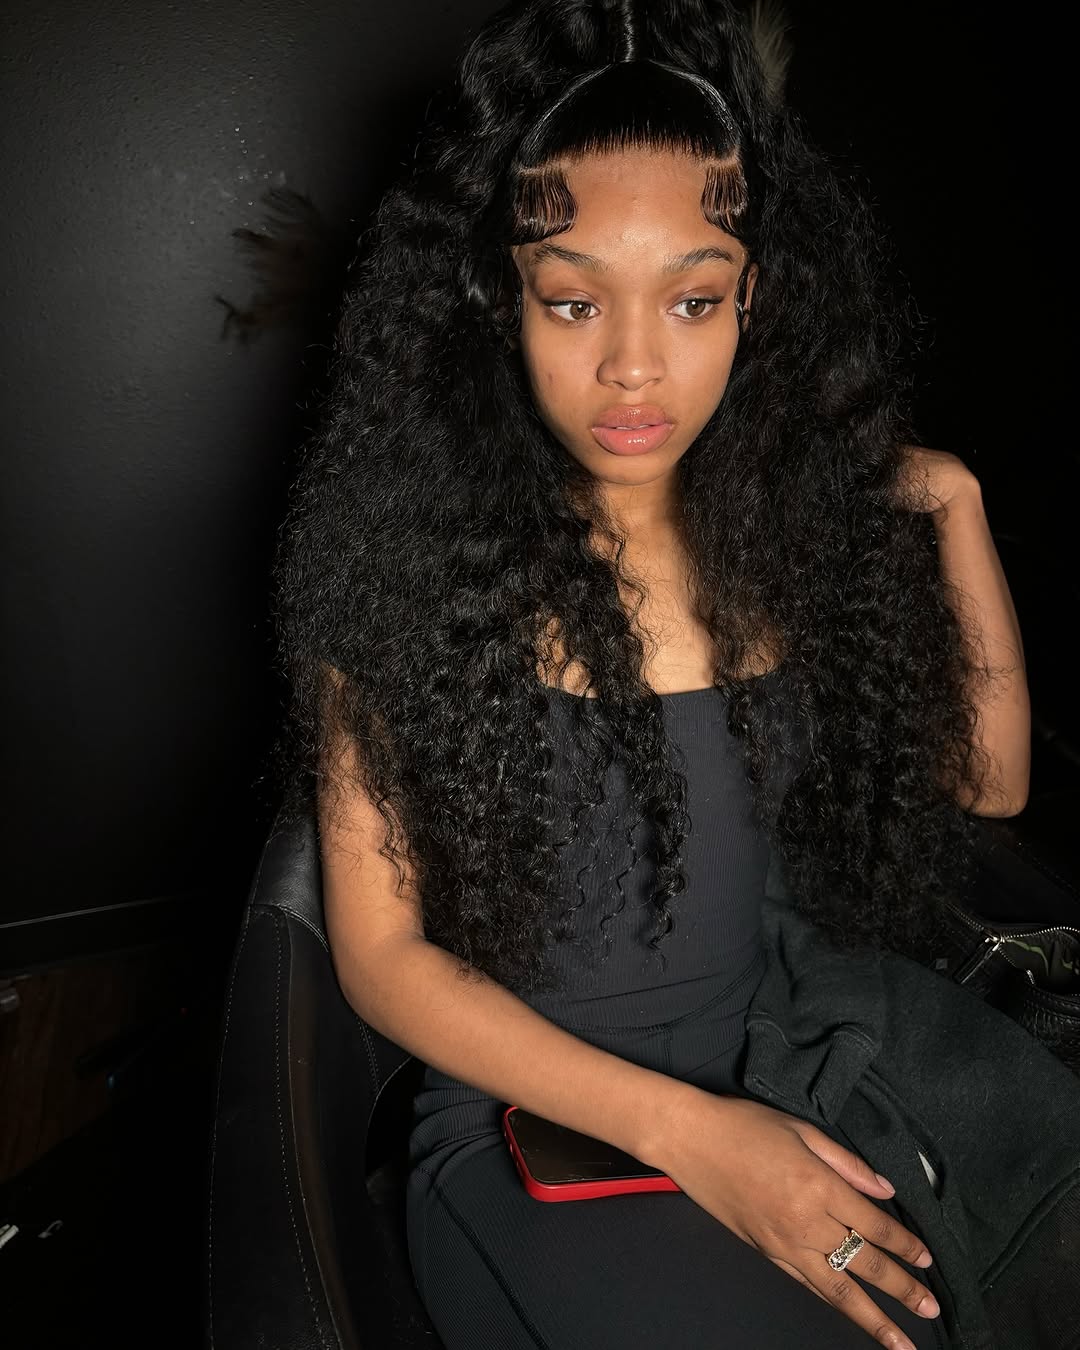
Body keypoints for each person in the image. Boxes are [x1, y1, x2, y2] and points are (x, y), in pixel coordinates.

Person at [268, 2, 1037, 1346]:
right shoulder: (407, 567)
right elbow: (382, 962)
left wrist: (957, 504)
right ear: (501, 301)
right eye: (574, 301)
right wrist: (696, 1137)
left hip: (775, 1068)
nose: (634, 366)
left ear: (754, 297)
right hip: (534, 1136)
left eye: (692, 299)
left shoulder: (779, 546)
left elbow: (993, 780)